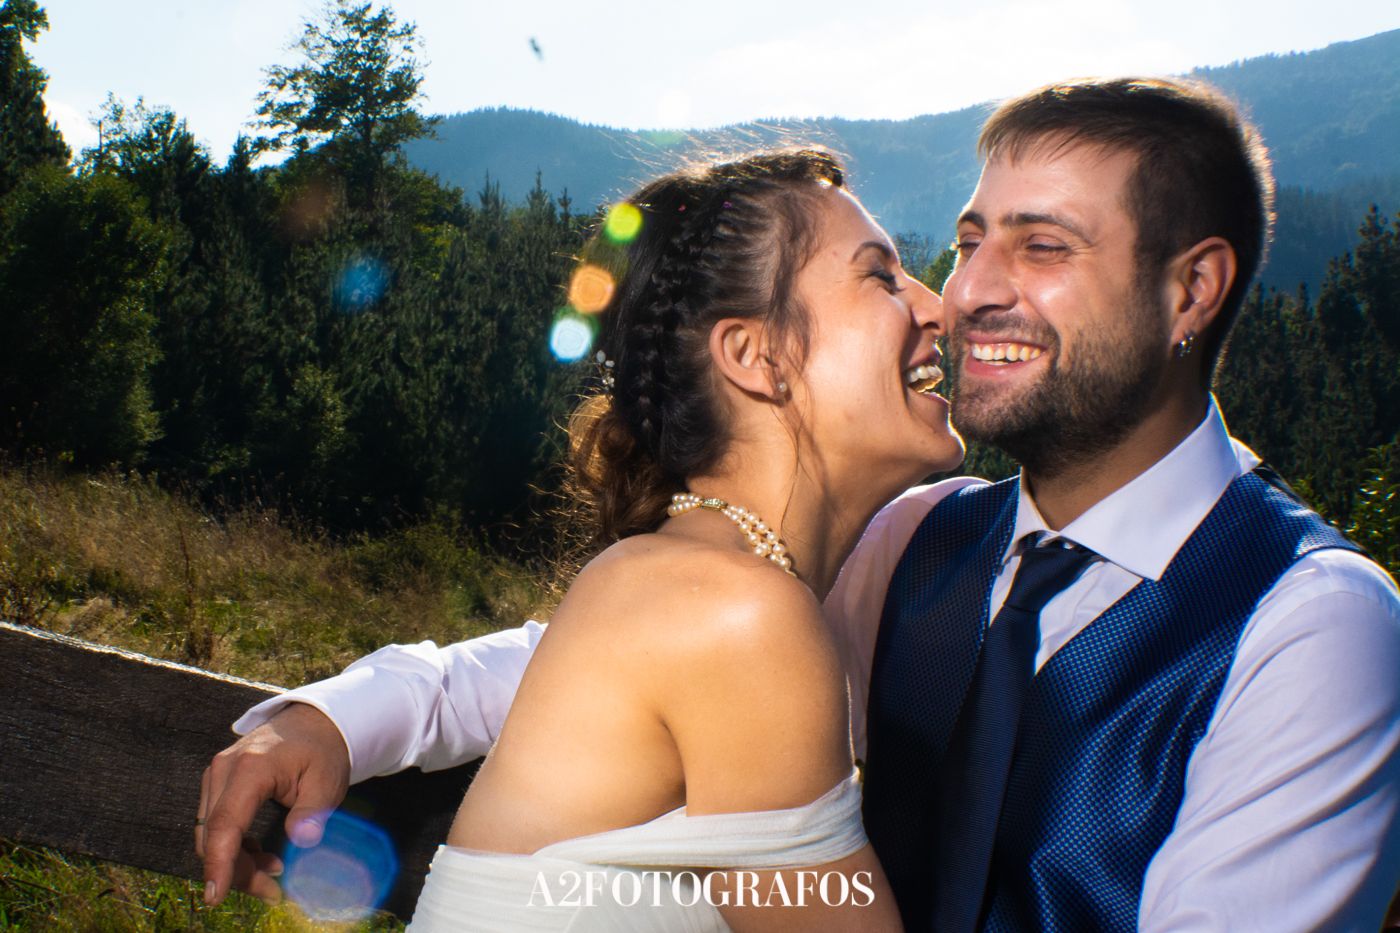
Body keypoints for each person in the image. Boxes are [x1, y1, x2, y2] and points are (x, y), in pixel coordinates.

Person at [200, 77, 1400, 931]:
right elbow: (594, 662)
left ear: (1191, 288)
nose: (963, 293)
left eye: (1038, 249)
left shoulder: (1312, 623)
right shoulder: (913, 543)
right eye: (966, 240)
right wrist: (341, 715)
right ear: (752, 357)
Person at [200, 148, 963, 928]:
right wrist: (327, 717)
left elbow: (515, 669)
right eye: (881, 275)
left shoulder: (697, 582)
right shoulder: (737, 611)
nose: (940, 305)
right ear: (755, 355)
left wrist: (338, 716)